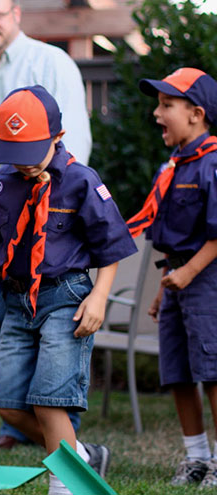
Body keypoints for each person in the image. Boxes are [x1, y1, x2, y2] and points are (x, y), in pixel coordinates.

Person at [0, 0, 91, 450]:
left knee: (53, 310)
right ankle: (15, 425)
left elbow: (76, 136)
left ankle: (62, 428)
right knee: (2, 309)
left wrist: (66, 199)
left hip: (47, 192)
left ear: (17, 14)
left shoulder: (51, 61)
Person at [0, 86, 136, 495]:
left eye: (32, 151)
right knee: (10, 406)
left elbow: (111, 246)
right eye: (13, 152)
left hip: (66, 297)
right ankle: (80, 455)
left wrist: (99, 296)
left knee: (50, 401)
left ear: (57, 136)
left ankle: (64, 486)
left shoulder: (82, 182)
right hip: (16, 301)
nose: (23, 164)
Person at [128, 68, 217, 487]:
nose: (156, 113)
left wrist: (190, 272)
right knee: (178, 371)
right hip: (178, 279)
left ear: (197, 113)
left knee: (213, 371)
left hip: (208, 281)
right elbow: (168, 234)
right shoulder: (174, 167)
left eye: (167, 105)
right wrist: (168, 287)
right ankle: (196, 457)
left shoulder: (211, 165)